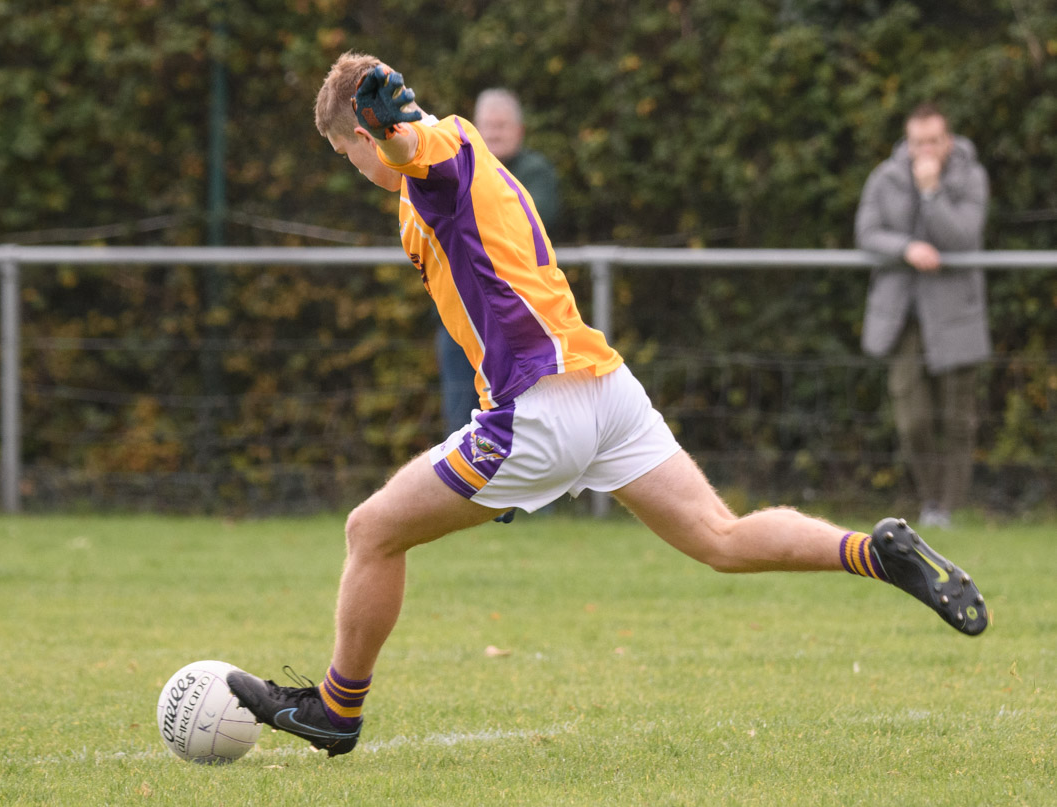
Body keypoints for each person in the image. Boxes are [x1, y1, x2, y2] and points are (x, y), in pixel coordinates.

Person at [226, 54, 988, 758]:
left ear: (359, 135)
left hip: (538, 408)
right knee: (720, 536)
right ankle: (876, 551)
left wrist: (393, 131)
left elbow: (412, 148)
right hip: (604, 389)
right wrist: (399, 131)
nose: (356, 166)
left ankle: (337, 708)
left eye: (346, 152)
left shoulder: (433, 149)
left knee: (371, 530)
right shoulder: (452, 157)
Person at [855, 102, 991, 529]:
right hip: (902, 314)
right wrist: (905, 248)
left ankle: (946, 509)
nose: (925, 150)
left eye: (933, 141)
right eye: (917, 142)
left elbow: (964, 236)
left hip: (955, 312)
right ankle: (931, 500)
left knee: (957, 418)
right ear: (906, 141)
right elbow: (867, 232)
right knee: (911, 418)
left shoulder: (971, 176)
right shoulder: (886, 178)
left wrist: (932, 194)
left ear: (947, 140)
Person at [436, 88, 561, 437]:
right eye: (487, 125)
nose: (493, 133)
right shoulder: (453, 168)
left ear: (519, 130)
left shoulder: (535, 172)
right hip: (461, 320)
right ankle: (467, 493)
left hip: (521, 321)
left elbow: (527, 226)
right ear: (475, 128)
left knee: (529, 424)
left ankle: (535, 493)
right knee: (463, 425)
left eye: (502, 125)